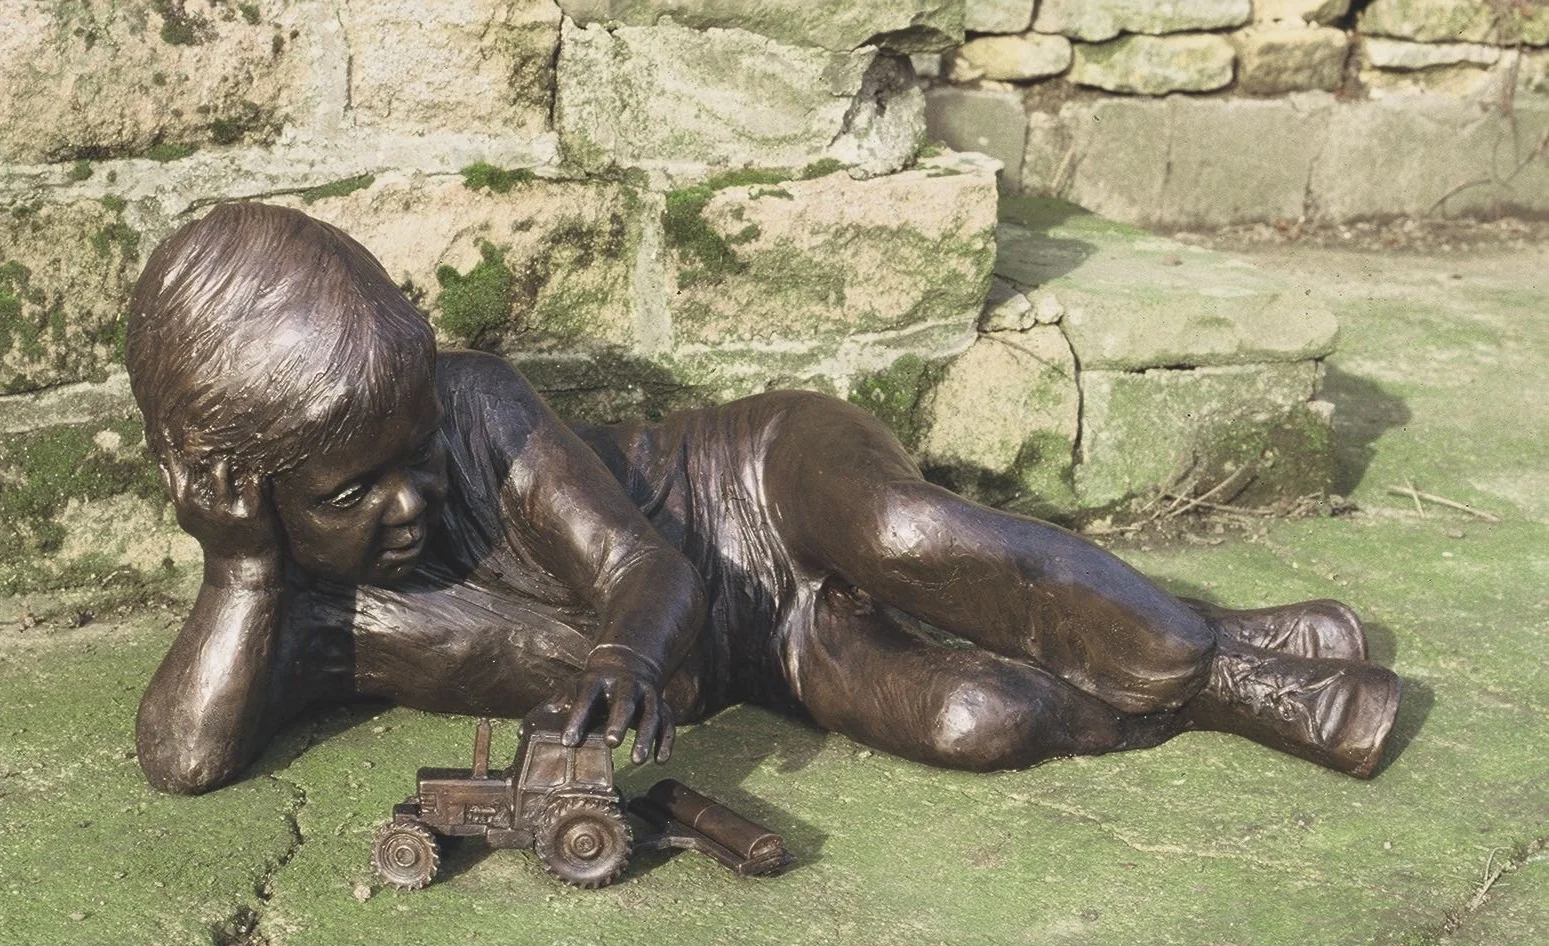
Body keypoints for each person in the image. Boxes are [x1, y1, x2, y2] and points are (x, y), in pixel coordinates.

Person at [125, 203, 1400, 796]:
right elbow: (181, 757)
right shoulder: (285, 617)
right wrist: (240, 575)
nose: (411, 498)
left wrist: (627, 651)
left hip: (756, 487)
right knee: (974, 716)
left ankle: (1242, 680)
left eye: (414, 452)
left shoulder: (476, 406)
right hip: (772, 650)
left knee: (909, 533)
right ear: (230, 491)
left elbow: (649, 570)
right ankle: (1218, 636)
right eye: (359, 490)